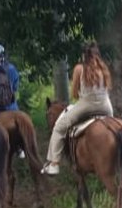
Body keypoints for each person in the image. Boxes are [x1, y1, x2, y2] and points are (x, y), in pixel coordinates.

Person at [42, 41, 113, 175]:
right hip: (106, 107)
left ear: (83, 55)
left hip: (86, 105)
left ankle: (54, 164)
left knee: (59, 127)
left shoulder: (79, 69)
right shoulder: (104, 68)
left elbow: (74, 94)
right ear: (98, 55)